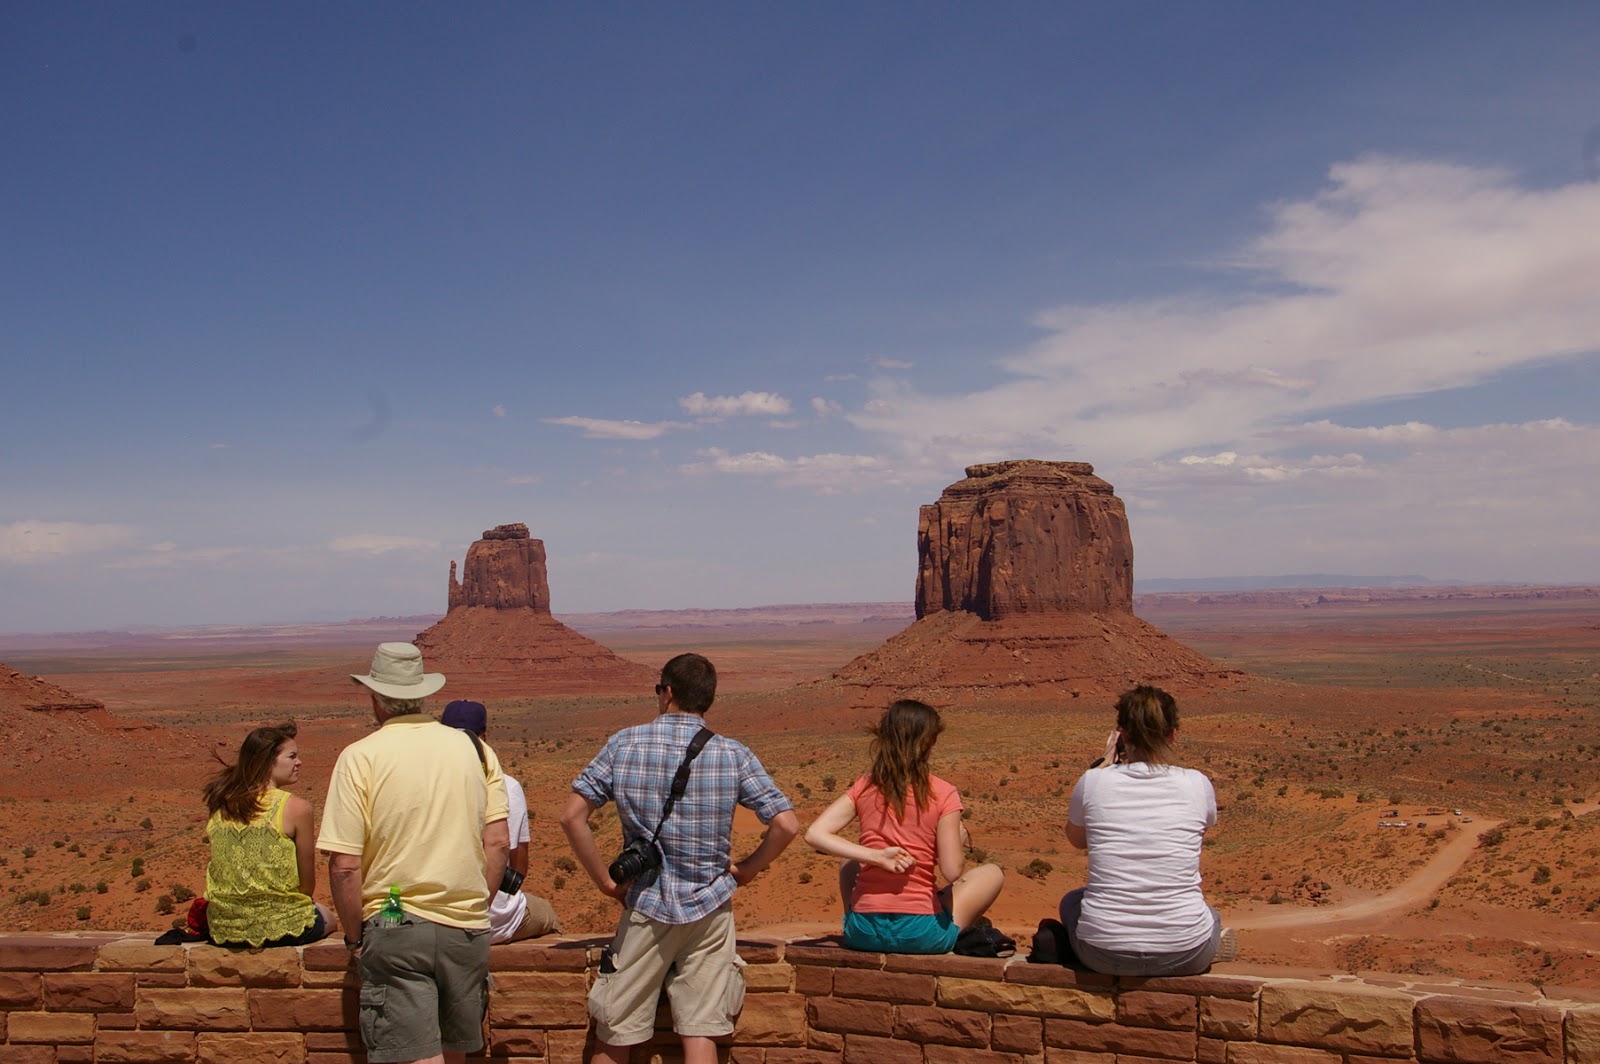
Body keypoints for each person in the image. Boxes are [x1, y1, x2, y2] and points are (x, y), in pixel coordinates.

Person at [560, 653, 798, 1064]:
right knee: (701, 1031)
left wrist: (605, 881)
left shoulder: (623, 743)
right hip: (710, 909)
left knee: (616, 1032)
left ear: (667, 693)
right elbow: (787, 825)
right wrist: (746, 871)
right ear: (706, 699)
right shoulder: (733, 754)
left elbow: (571, 816)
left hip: (646, 907)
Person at [317, 643, 510, 1064]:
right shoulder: (476, 750)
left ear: (374, 697)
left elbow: (345, 866)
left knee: (414, 1058)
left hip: (394, 917)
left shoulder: (360, 757)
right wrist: (477, 906)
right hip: (467, 929)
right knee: (454, 1053)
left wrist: (355, 938)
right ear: (422, 694)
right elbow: (497, 844)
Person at [1058, 684, 1236, 976]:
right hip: (1185, 954)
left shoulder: (1093, 781)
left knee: (1072, 902)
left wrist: (1103, 766)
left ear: (1122, 734)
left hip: (1103, 955)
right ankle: (1211, 944)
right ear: (1173, 734)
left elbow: (1077, 840)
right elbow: (1198, 832)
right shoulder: (1197, 783)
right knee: (1210, 914)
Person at [804, 699, 1003, 953]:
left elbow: (814, 834)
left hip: (862, 933)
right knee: (992, 873)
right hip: (921, 934)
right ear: (927, 743)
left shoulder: (865, 785)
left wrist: (875, 856)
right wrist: (957, 838)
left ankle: (856, 915)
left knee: (849, 862)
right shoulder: (943, 792)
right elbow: (952, 871)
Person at [202, 722, 336, 948]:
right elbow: (306, 886)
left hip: (224, 926)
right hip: (282, 925)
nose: (299, 762)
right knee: (328, 918)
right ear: (267, 761)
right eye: (292, 756)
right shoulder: (296, 808)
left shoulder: (223, 802)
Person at [439, 699, 562, 943]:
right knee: (547, 914)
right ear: (484, 736)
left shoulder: (425, 783)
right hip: (490, 920)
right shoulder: (507, 786)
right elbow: (518, 865)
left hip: (432, 917)